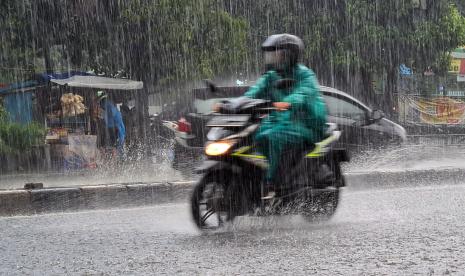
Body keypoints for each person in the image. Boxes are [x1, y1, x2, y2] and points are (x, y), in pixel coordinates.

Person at [243, 34, 328, 199]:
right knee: (257, 135)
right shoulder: (271, 76)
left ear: (290, 54)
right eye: (271, 54)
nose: (273, 58)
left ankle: (272, 182)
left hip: (308, 123)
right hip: (283, 121)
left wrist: (288, 102)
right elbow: (253, 92)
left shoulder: (305, 75)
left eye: (277, 54)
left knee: (274, 137)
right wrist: (233, 104)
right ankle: (269, 171)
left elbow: (302, 93)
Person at [96, 91, 126, 157]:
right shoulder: (111, 107)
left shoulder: (108, 105)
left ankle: (109, 157)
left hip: (113, 127)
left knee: (108, 145)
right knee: (111, 145)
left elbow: (111, 114)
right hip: (114, 127)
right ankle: (110, 157)